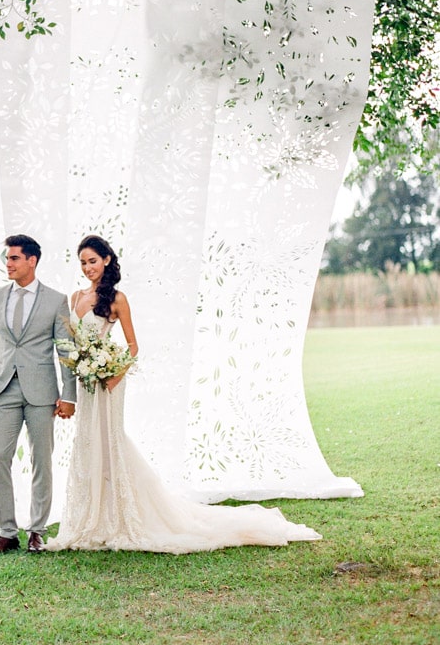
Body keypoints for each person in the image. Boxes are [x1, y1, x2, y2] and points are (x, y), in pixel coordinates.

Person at [46, 235, 322, 553]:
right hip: (86, 382)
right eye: (82, 262)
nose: (87, 267)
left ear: (106, 260)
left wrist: (113, 373)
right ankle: (88, 518)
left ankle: (119, 516)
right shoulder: (75, 297)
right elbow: (70, 345)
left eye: (92, 260)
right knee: (88, 443)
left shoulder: (117, 299)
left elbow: (133, 347)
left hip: (109, 384)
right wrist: (81, 369)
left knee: (109, 442)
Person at [0, 234, 76, 555]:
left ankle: (37, 530)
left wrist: (68, 395)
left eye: (14, 258)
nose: (8, 264)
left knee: (41, 461)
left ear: (31, 261)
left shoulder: (56, 300)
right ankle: (7, 532)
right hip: (3, 389)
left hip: (42, 391)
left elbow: (65, 349)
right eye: (7, 258)